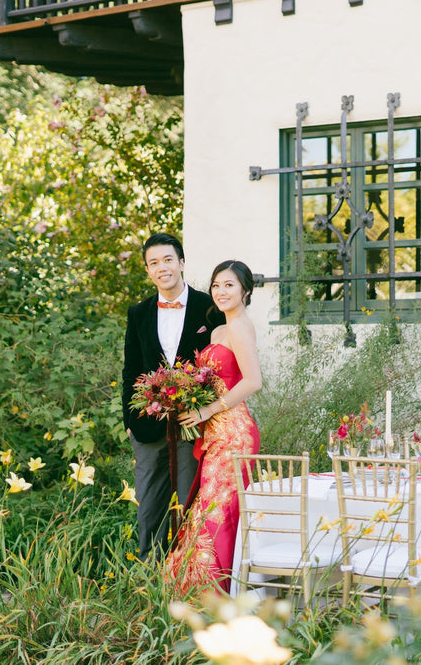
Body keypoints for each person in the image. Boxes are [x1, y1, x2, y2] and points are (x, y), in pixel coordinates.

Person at [122, 233, 225, 560]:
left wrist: (208, 412)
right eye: (154, 263)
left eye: (167, 260)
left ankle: (187, 578)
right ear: (148, 271)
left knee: (191, 504)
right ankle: (150, 579)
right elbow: (130, 370)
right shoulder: (137, 313)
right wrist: (129, 421)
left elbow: (220, 365)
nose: (161, 267)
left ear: (181, 262)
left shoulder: (208, 308)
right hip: (148, 427)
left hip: (193, 425)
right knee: (149, 506)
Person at [166, 259, 262, 593]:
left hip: (234, 432)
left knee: (219, 511)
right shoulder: (220, 328)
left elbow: (253, 381)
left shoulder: (238, 328)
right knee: (207, 507)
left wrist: (209, 409)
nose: (221, 292)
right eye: (216, 285)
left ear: (245, 291)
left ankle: (215, 591)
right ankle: (198, 586)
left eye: (229, 285)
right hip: (215, 432)